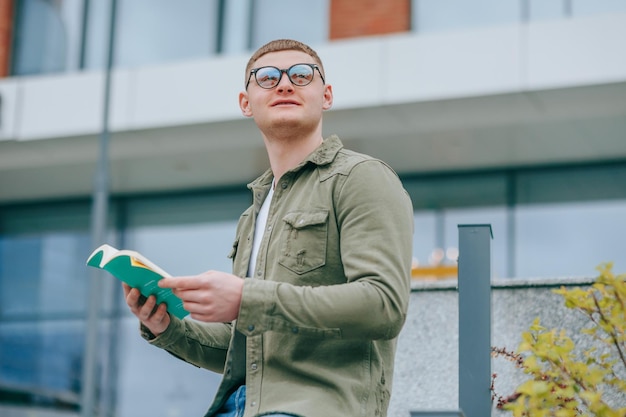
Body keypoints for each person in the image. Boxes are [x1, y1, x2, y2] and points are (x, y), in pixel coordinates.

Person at [123, 39, 414, 417]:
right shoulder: (255, 214)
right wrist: (167, 328)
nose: (284, 84)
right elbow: (244, 347)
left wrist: (247, 298)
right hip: (238, 407)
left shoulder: (360, 177)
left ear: (326, 96)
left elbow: (384, 304)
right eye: (267, 77)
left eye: (301, 74)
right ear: (246, 103)